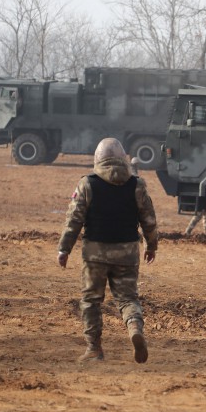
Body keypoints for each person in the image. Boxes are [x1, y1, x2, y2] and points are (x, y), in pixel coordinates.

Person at [57, 137, 158, 363]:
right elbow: (149, 220)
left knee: (91, 300)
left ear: (97, 158)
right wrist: (152, 246)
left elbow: (74, 219)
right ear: (123, 158)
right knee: (128, 299)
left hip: (95, 254)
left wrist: (64, 248)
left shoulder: (88, 184)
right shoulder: (137, 185)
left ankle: (94, 349)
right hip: (127, 253)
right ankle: (134, 329)